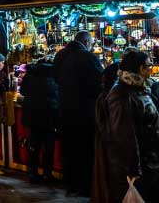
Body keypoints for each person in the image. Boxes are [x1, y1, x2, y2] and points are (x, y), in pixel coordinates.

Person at [93, 48, 159, 203]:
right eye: (149, 66)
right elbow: (124, 135)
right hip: (141, 166)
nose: (151, 69)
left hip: (153, 162)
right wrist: (133, 168)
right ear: (140, 68)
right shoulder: (121, 94)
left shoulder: (143, 88)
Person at [53, 30, 103, 196]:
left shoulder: (60, 55)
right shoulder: (88, 57)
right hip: (84, 112)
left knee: (68, 149)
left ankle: (70, 184)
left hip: (64, 110)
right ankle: (84, 186)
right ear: (87, 43)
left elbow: (55, 80)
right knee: (84, 150)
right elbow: (99, 84)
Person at [19, 52, 60, 183]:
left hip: (33, 116)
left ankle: (32, 173)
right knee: (48, 148)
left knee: (33, 147)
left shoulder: (30, 75)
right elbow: (58, 94)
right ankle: (47, 174)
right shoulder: (54, 76)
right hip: (49, 116)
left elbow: (23, 91)